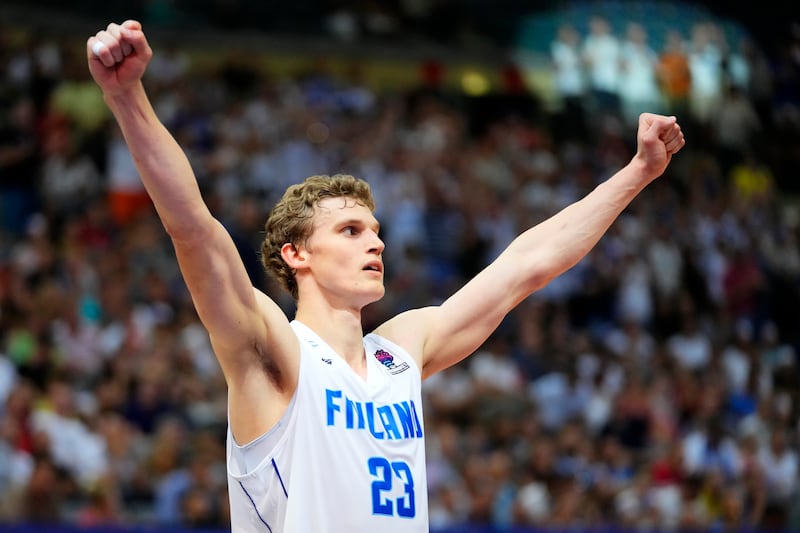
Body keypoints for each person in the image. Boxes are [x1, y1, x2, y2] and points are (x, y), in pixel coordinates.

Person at [86, 20, 685, 533]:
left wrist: (637, 172)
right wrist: (127, 97)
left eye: (375, 231)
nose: (375, 242)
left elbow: (527, 265)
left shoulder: (402, 349)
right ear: (297, 255)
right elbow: (194, 228)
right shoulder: (274, 351)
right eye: (350, 231)